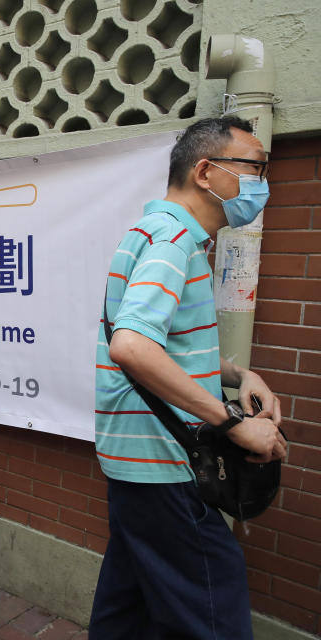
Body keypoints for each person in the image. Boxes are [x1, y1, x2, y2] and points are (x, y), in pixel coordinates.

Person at [90, 116, 288, 639]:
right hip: (165, 467)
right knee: (213, 616)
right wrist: (235, 426)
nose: (261, 182)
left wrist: (238, 372)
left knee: (126, 606)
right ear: (206, 171)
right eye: (254, 167)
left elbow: (161, 341)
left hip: (135, 462)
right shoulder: (175, 241)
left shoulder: (154, 232)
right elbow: (131, 345)